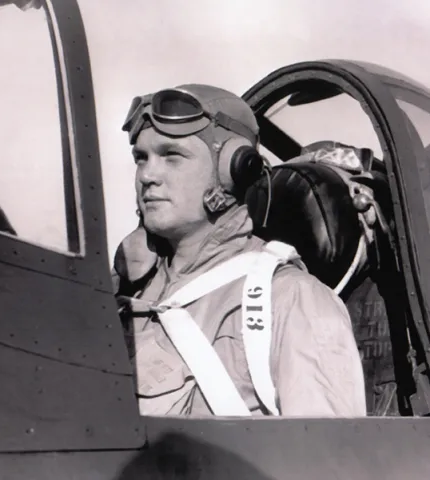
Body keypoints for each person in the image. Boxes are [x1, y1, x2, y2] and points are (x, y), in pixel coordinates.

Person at [113, 84, 367, 417]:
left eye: (172, 157)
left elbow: (326, 459)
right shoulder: (126, 292)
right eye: (141, 158)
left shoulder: (290, 300)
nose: (148, 175)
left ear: (233, 170)